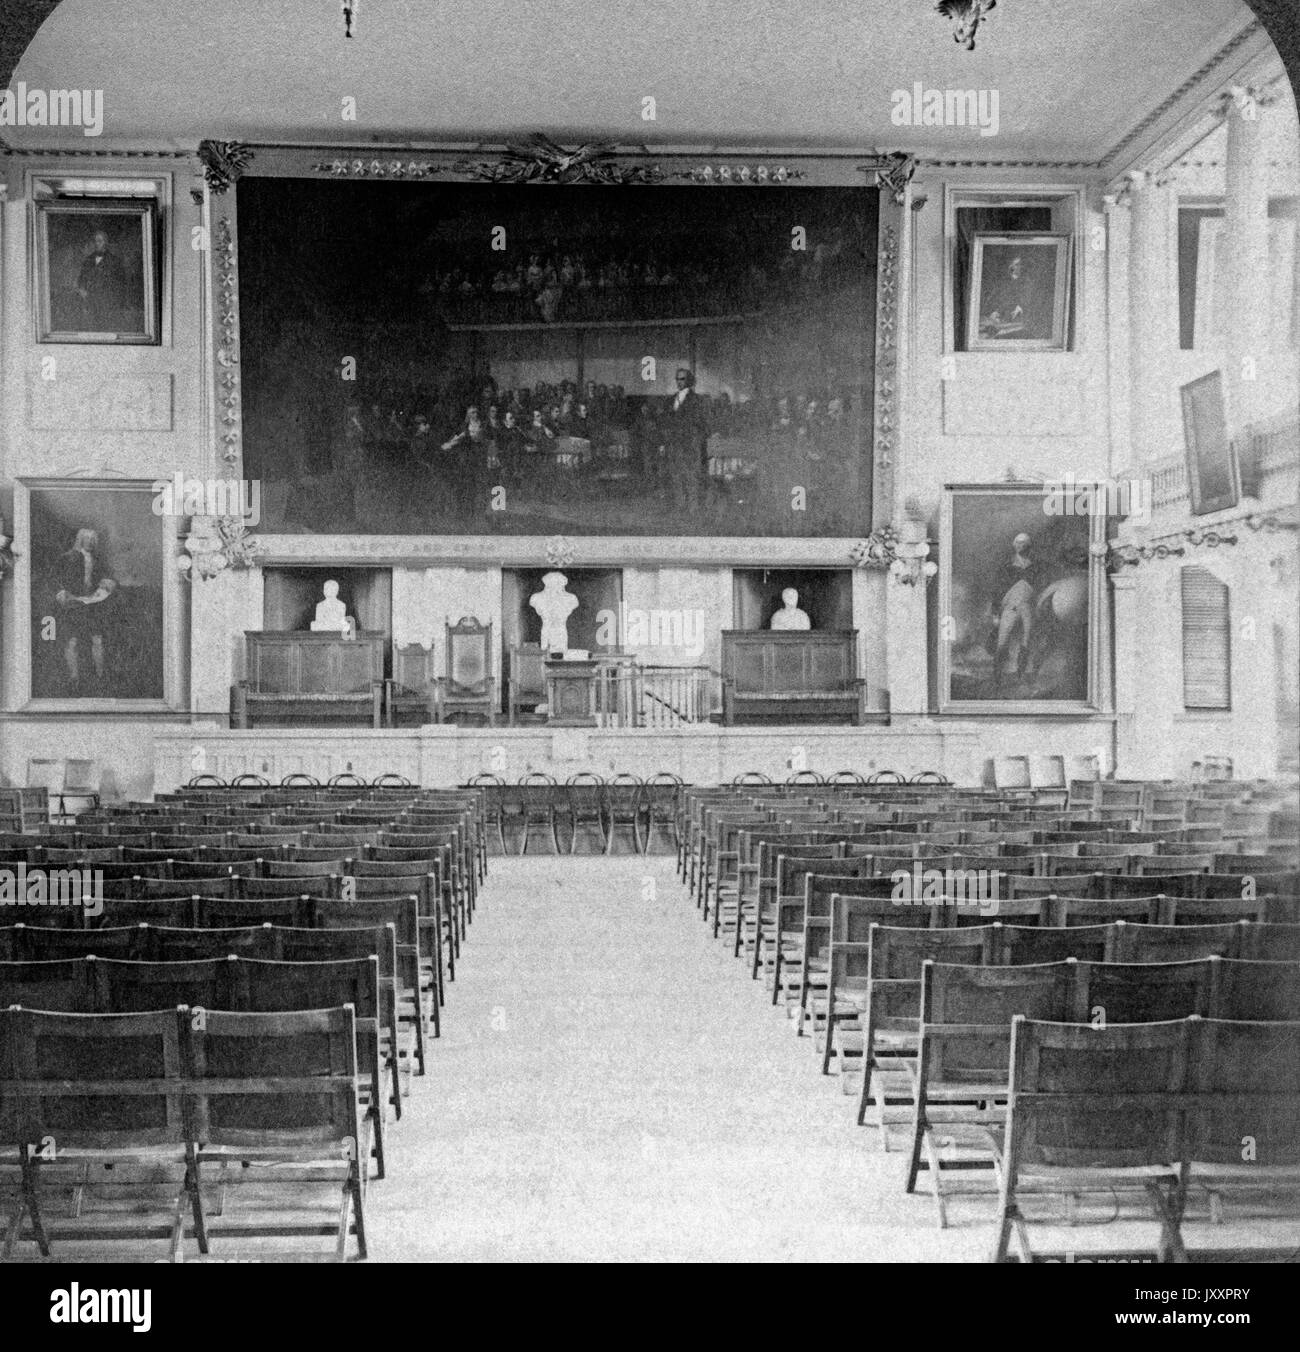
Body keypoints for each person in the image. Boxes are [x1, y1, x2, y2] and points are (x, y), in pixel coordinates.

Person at [54, 528, 116, 691]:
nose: (90, 541)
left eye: (92, 539)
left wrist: (106, 584)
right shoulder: (67, 558)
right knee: (72, 641)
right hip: (73, 605)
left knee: (97, 640)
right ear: (80, 540)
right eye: (86, 538)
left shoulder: (99, 559)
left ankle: (100, 675)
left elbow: (108, 578)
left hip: (94, 605)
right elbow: (56, 579)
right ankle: (74, 678)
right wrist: (62, 592)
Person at [994, 531, 1046, 683]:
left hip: (1028, 608)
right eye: (1017, 542)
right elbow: (997, 590)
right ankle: (997, 675)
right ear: (1013, 545)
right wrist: (995, 614)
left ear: (1028, 545)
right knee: (1002, 641)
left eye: (1023, 543)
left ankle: (1020, 674)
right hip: (1010, 607)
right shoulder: (1007, 566)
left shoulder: (1035, 566)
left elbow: (1039, 587)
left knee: (1027, 640)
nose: (1020, 545)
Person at [978, 250, 1053, 341]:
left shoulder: (1028, 282)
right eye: (1015, 264)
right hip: (1002, 317)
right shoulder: (1004, 282)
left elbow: (1030, 300)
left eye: (1019, 264)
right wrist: (995, 311)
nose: (1016, 267)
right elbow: (999, 300)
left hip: (1019, 318)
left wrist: (1021, 307)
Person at [75, 228, 129, 331]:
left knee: (107, 329)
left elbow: (121, 284)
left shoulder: (115, 261)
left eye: (100, 241)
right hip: (90, 301)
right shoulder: (88, 260)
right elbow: (81, 278)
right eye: (95, 241)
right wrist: (82, 289)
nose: (97, 244)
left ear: (106, 242)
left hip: (108, 304)